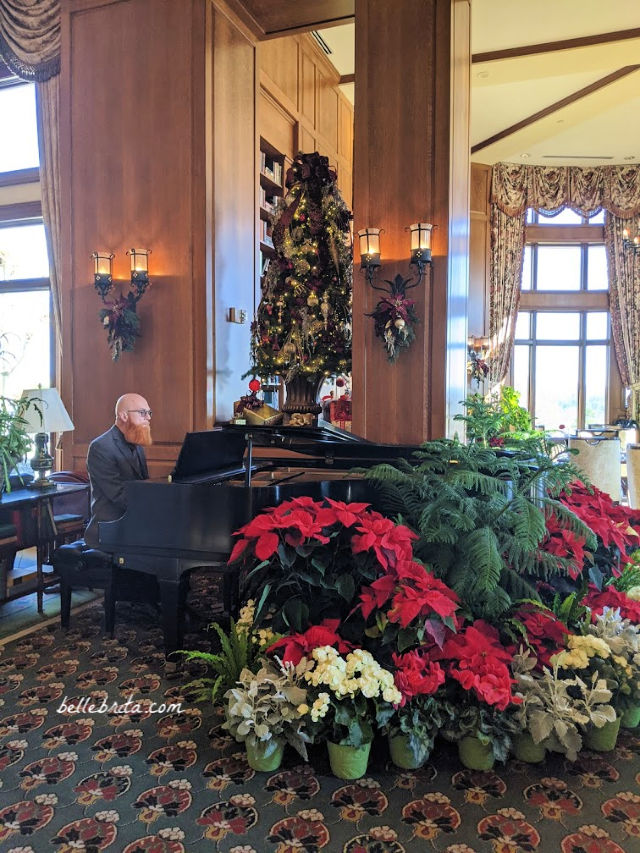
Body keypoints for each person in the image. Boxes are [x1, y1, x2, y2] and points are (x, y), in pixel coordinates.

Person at [84, 393, 152, 547]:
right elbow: (119, 496)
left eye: (149, 413)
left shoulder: (137, 443)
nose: (148, 418)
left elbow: (144, 486)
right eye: (142, 413)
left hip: (133, 524)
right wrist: (155, 510)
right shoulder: (101, 447)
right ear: (123, 416)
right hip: (109, 530)